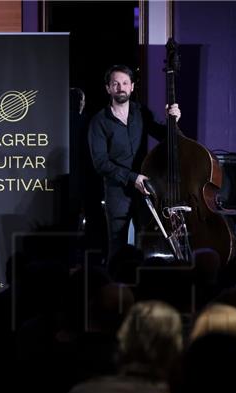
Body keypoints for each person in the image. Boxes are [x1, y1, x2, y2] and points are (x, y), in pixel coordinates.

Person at [88, 65, 181, 260]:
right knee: (116, 245)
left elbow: (165, 136)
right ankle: (115, 286)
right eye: (115, 84)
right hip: (117, 192)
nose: (120, 87)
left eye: (125, 83)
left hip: (146, 190)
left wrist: (173, 121)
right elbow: (100, 163)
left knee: (146, 242)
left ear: (132, 87)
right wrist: (133, 177)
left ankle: (141, 287)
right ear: (108, 88)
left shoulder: (141, 113)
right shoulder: (98, 121)